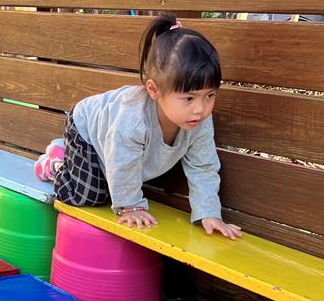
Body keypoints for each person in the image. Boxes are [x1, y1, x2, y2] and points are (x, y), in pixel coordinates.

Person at [35, 13, 241, 238]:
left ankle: (72, 162)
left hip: (112, 143)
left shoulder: (198, 120)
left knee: (108, 184)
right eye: (189, 98)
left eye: (210, 95)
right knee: (87, 196)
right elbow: (123, 162)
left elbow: (203, 166)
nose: (200, 109)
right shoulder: (133, 119)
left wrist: (209, 213)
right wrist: (131, 206)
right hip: (85, 128)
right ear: (153, 90)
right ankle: (56, 162)